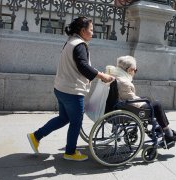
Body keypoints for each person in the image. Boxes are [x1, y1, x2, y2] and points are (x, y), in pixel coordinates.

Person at [27, 16, 114, 161]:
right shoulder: (80, 45)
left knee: (64, 118)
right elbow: (83, 67)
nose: (93, 33)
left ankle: (35, 136)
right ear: (83, 30)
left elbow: (79, 66)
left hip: (61, 88)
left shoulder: (70, 42)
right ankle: (70, 152)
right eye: (91, 30)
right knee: (76, 122)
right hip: (72, 91)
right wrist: (102, 76)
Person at [106, 55, 176, 142]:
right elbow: (132, 102)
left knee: (148, 99)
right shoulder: (124, 82)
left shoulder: (115, 76)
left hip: (117, 105)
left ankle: (158, 124)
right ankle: (168, 132)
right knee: (157, 105)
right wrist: (144, 102)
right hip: (126, 108)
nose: (135, 72)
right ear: (129, 70)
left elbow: (127, 97)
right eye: (135, 70)